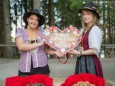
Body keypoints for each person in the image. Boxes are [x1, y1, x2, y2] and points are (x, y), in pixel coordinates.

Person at [15, 9, 63, 76]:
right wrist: (39, 44)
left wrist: (55, 52)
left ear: (38, 22)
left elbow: (46, 49)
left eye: (36, 20)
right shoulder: (21, 31)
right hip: (25, 69)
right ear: (27, 19)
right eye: (32, 18)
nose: (34, 21)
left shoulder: (44, 33)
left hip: (42, 68)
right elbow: (21, 47)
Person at [69, 2, 103, 78]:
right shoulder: (85, 30)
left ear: (94, 16)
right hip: (83, 60)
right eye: (84, 14)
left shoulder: (95, 29)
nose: (85, 16)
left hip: (90, 63)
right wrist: (82, 48)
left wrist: (79, 52)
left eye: (88, 14)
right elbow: (86, 46)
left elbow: (94, 50)